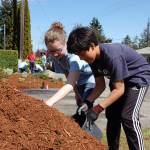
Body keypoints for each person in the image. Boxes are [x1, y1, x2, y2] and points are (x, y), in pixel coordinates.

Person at [67, 26, 150, 150]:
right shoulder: (93, 60)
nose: (80, 58)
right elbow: (100, 85)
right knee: (112, 114)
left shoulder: (112, 56)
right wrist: (87, 102)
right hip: (120, 80)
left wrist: (97, 109)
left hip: (138, 78)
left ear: (91, 45)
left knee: (128, 116)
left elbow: (119, 89)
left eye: (80, 53)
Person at [44, 22, 95, 121]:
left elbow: (70, 84)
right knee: (80, 104)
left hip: (90, 80)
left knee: (85, 106)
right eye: (51, 51)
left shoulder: (73, 57)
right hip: (78, 81)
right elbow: (68, 74)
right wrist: (76, 93)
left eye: (58, 50)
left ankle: (87, 128)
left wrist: (49, 102)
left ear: (65, 44)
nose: (54, 54)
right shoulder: (56, 56)